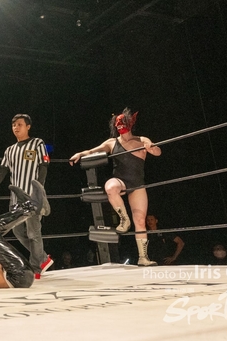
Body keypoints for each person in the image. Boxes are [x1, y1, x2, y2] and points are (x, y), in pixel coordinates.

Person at [69, 108, 161, 266]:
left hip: (137, 184)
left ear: (130, 123)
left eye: (122, 122)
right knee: (110, 187)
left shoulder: (141, 139)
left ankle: (143, 257)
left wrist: (151, 148)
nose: (120, 125)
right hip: (121, 181)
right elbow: (93, 150)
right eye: (117, 123)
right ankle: (124, 219)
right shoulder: (112, 142)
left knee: (140, 220)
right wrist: (80, 154)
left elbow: (158, 151)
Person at [0, 114, 53, 279]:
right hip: (15, 198)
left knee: (33, 232)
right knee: (18, 232)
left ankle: (37, 267)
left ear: (28, 126)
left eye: (19, 124)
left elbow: (44, 166)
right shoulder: (10, 150)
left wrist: (39, 190)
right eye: (13, 125)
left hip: (31, 196)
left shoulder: (37, 143)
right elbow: (1, 171)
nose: (16, 128)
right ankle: (42, 258)